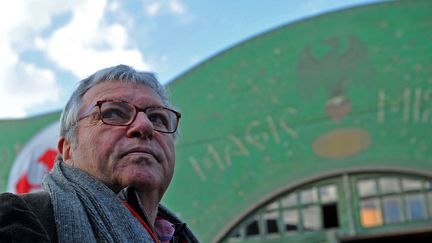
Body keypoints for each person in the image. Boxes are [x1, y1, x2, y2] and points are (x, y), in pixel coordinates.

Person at [0, 64, 199, 243]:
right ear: (68, 150)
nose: (145, 126)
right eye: (113, 113)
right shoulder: (17, 218)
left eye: (157, 118)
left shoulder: (179, 237)